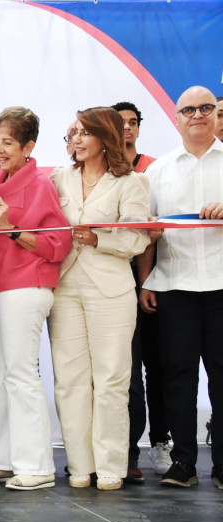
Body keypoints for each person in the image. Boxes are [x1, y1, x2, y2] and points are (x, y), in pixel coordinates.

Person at [0, 106, 71, 491]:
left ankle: (37, 465)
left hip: (26, 285)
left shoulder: (41, 184)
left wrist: (12, 229)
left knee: (22, 373)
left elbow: (58, 244)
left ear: (29, 146)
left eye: (8, 142)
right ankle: (3, 459)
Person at [48, 107, 150, 491]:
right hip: (65, 286)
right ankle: (79, 464)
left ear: (103, 137)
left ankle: (111, 465)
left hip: (111, 288)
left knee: (111, 380)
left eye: (82, 132)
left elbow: (138, 238)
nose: (74, 139)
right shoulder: (59, 179)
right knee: (70, 381)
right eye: (71, 133)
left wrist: (99, 239)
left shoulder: (132, 182)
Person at [139, 85, 223, 490]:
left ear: (215, 114)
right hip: (174, 287)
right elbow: (146, 235)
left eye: (206, 107)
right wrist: (146, 281)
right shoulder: (158, 170)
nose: (198, 115)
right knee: (178, 377)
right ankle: (183, 462)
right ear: (176, 119)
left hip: (222, 285)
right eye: (188, 109)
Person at [110, 100, 169, 482]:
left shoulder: (155, 169)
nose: (127, 129)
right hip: (113, 278)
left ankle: (160, 442)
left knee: (157, 368)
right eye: (121, 124)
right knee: (124, 375)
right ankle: (127, 454)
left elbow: (154, 231)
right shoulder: (97, 172)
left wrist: (146, 281)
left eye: (133, 123)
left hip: (154, 280)